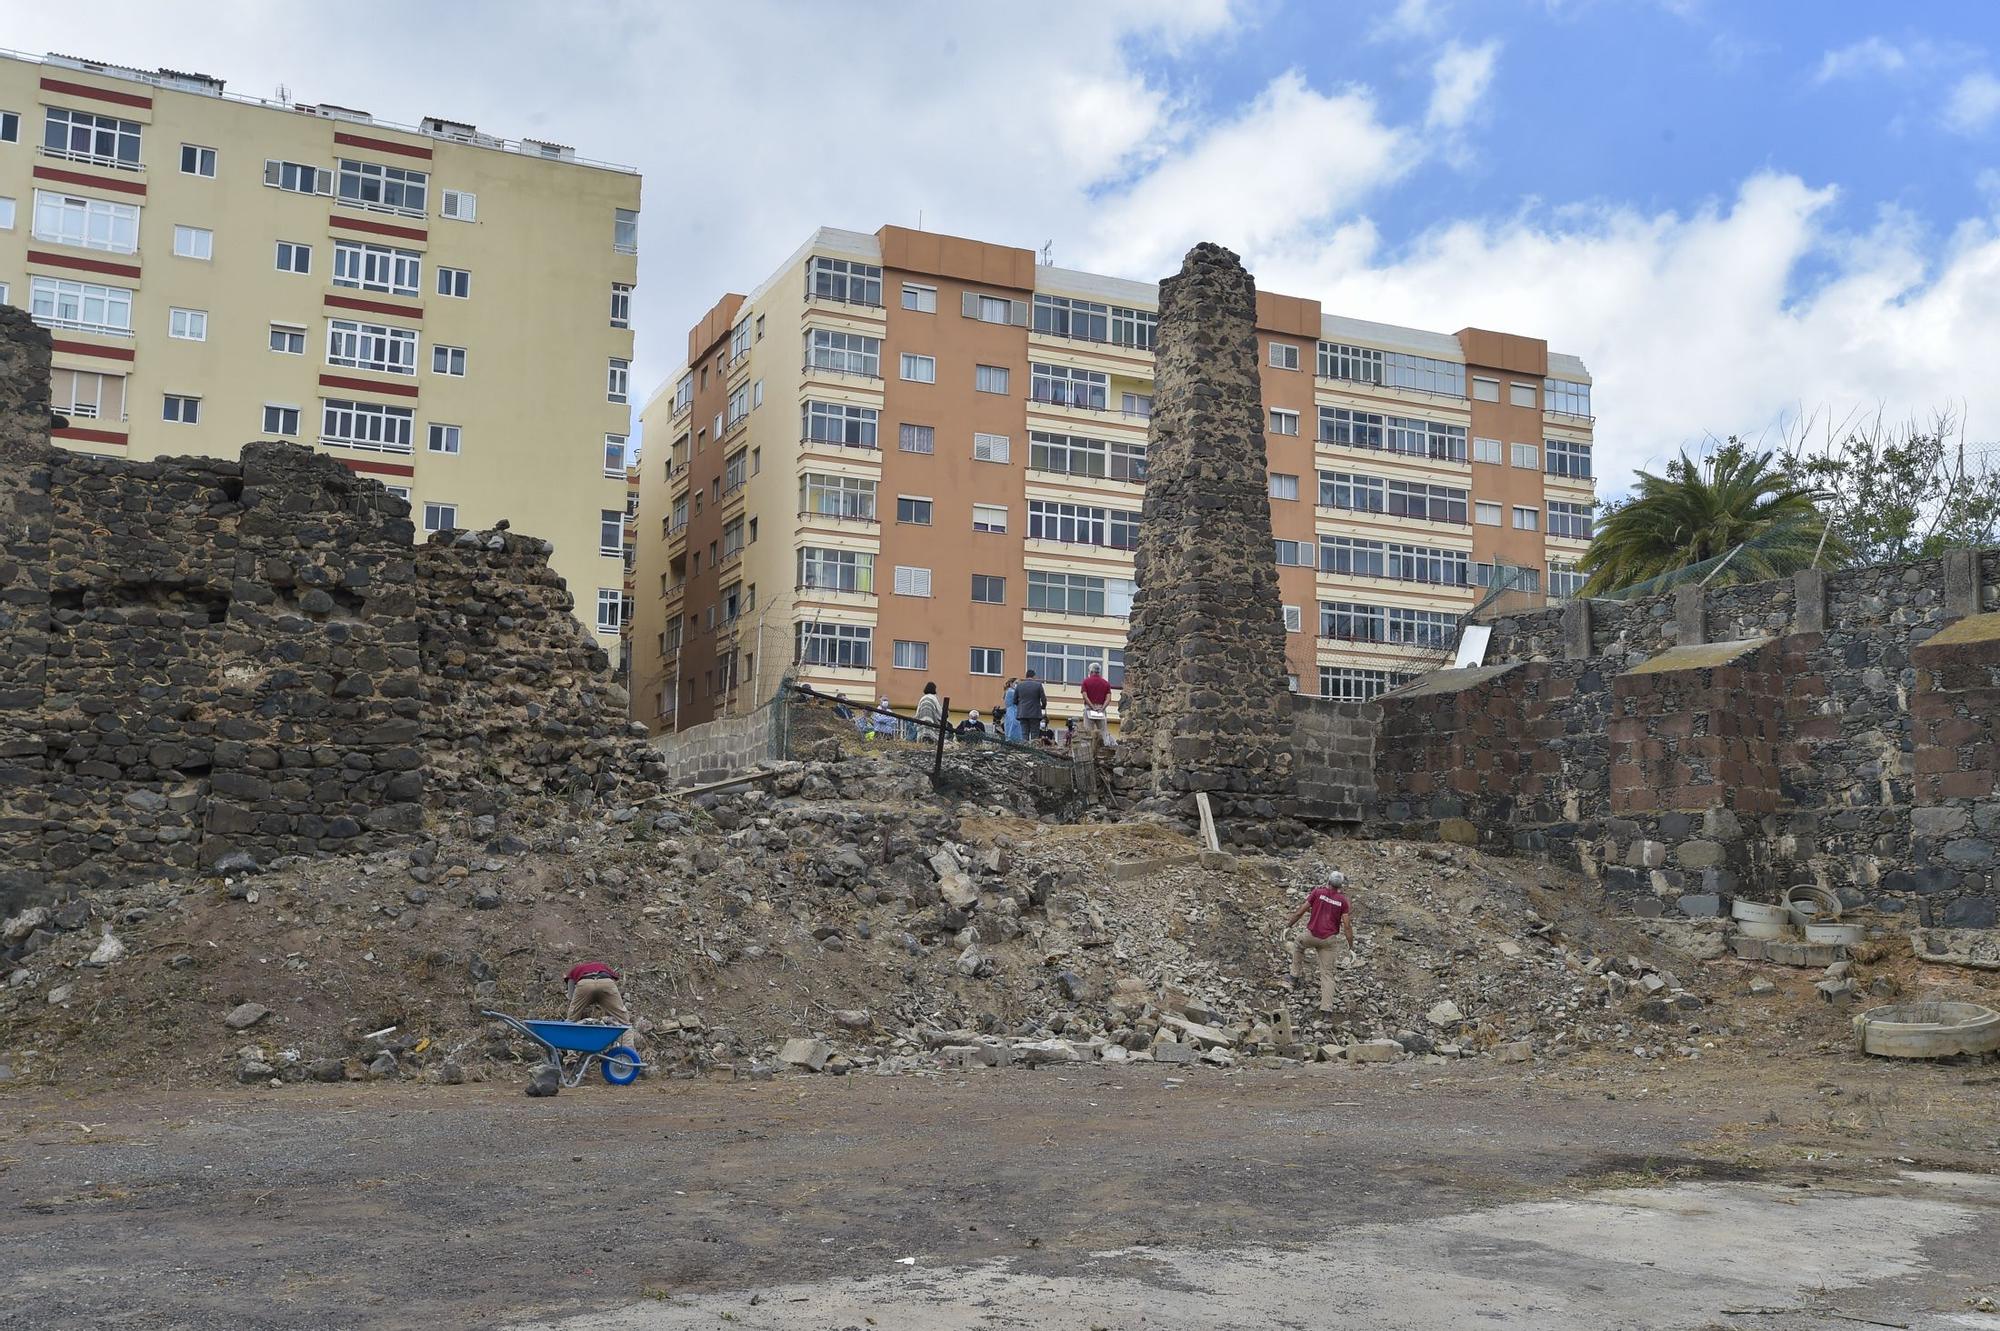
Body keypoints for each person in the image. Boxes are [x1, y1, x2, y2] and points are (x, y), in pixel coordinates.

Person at [1283, 873, 1356, 1014]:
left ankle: (1294, 976)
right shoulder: (1343, 901)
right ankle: (1326, 1009)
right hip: (1328, 941)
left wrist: (1289, 925)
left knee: (1298, 943)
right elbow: (1347, 925)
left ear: (1328, 881)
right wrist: (1351, 946)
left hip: (1311, 935)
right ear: (1341, 885)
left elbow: (1300, 912)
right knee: (1327, 974)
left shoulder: (1317, 892)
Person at [564, 960, 639, 1054]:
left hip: (584, 984)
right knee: (624, 1022)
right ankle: (629, 1056)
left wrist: (574, 1013)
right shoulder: (602, 966)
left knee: (570, 1022)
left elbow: (571, 998)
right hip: (606, 982)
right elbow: (613, 981)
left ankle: (571, 1058)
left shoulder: (574, 970)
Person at [1079, 664, 1114, 747]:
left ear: (1091, 671)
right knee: (1103, 732)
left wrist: (1092, 706)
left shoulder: (1085, 682)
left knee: (1088, 732)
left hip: (1089, 709)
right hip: (1101, 710)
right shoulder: (1106, 683)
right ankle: (1106, 749)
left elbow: (1085, 696)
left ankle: (1088, 750)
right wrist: (1102, 708)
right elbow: (1108, 699)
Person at [1013, 669, 1047, 741]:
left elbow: (1014, 700)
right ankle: (1033, 750)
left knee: (1024, 734)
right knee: (1034, 734)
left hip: (1023, 713)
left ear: (1026, 676)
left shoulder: (1019, 685)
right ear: (1034, 676)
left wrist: (1020, 705)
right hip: (1035, 714)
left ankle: (1025, 750)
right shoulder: (1038, 685)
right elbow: (1043, 699)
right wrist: (1042, 707)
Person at [1001, 677, 1022, 743]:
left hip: (1012, 711)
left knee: (1011, 726)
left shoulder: (1009, 691)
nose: (1017, 685)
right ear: (1011, 684)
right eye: (1016, 683)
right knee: (1014, 726)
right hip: (1013, 712)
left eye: (1019, 684)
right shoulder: (1011, 691)